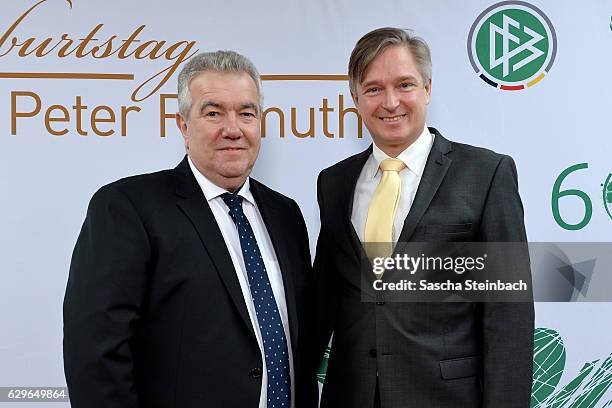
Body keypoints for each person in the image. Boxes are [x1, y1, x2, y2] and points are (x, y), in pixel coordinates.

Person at [63, 50, 317, 408]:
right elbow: (96, 354)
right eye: (213, 113)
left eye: (246, 113)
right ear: (183, 126)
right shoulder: (127, 207)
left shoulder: (286, 214)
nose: (233, 129)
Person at [314, 27, 534, 408]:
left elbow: (508, 316)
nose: (390, 101)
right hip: (351, 395)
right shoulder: (334, 183)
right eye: (373, 89)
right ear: (355, 99)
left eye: (405, 85)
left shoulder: (486, 174)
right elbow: (324, 300)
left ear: (427, 89)